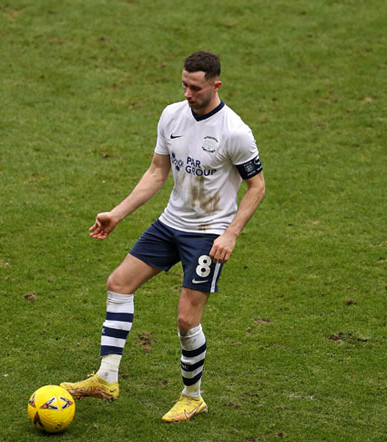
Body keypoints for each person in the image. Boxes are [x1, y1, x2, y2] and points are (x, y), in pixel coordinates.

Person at [60, 50, 265, 422]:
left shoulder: (235, 132)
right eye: (184, 84)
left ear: (216, 85)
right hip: (170, 223)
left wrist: (231, 234)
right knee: (118, 284)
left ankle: (193, 396)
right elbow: (157, 172)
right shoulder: (172, 115)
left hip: (207, 234)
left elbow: (257, 187)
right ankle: (106, 378)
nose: (187, 93)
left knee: (186, 320)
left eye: (195, 87)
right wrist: (117, 214)